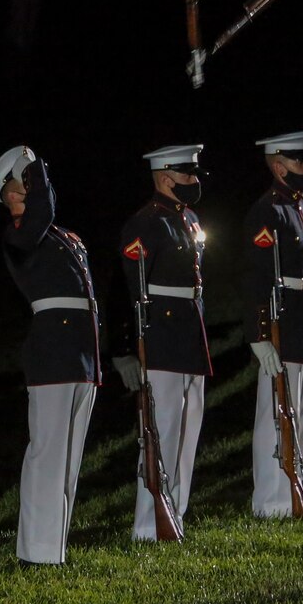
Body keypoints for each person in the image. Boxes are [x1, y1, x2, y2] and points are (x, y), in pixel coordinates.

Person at [0, 145, 101, 566]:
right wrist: (36, 169)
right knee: (48, 452)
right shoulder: (20, 235)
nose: (36, 189)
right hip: (52, 351)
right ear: (12, 196)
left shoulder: (59, 235)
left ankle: (55, 547)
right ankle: (35, 552)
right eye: (28, 183)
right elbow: (41, 211)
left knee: (68, 457)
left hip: (80, 353)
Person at [110, 144, 211, 540]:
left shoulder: (187, 219)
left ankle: (175, 515)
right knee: (162, 431)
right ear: (165, 177)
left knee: (187, 433)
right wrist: (123, 347)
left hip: (188, 334)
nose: (195, 181)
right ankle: (150, 524)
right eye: (187, 175)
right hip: (160, 336)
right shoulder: (145, 224)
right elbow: (126, 289)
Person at [243, 129, 303, 518]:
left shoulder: (300, 208)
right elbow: (257, 275)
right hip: (281, 318)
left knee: (301, 411)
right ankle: (272, 501)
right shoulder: (268, 211)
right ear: (278, 166)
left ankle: (296, 489)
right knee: (276, 413)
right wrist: (258, 334)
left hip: (301, 315)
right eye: (299, 160)